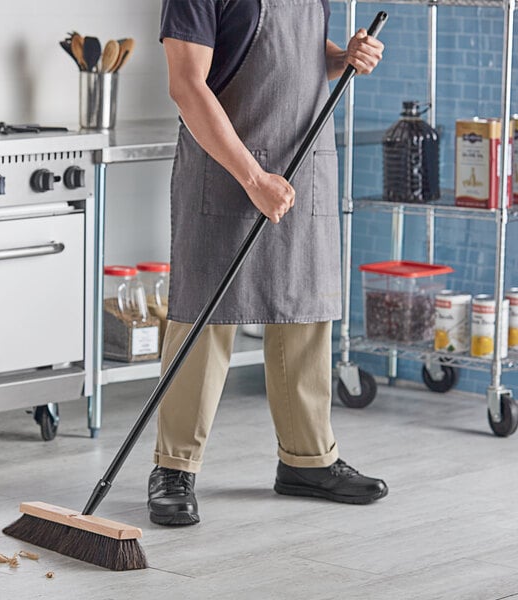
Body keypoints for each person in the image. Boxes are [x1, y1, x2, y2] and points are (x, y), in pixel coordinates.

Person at [148, 0, 387, 527]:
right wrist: (253, 178)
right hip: (226, 165)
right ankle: (175, 469)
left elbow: (298, 56)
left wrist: (343, 57)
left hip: (302, 159)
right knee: (203, 317)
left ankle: (308, 462)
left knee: (305, 307)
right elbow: (187, 84)